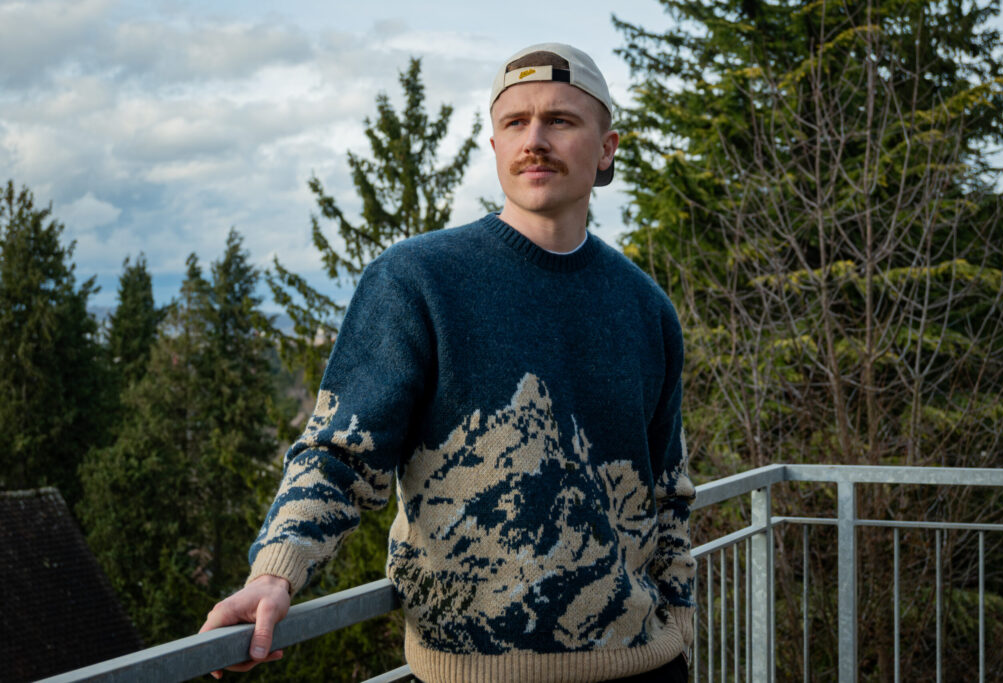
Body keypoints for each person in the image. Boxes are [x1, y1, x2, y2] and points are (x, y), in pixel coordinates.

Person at [200, 42, 696, 683]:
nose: (534, 140)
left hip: (640, 668)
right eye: (515, 122)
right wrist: (276, 573)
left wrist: (682, 628)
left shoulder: (645, 307)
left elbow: (668, 492)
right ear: (494, 145)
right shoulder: (417, 280)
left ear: (606, 149)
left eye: (560, 120)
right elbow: (340, 452)